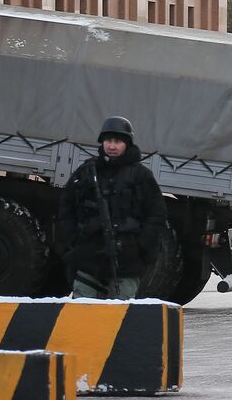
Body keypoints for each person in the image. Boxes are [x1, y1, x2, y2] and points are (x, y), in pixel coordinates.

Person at [56, 117, 166, 299]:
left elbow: (156, 214)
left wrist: (141, 247)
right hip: (89, 258)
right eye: (108, 141)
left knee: (121, 314)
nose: (112, 146)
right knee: (82, 311)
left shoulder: (140, 176)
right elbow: (67, 207)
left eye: (118, 141)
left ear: (127, 144)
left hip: (126, 260)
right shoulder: (87, 172)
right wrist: (73, 242)